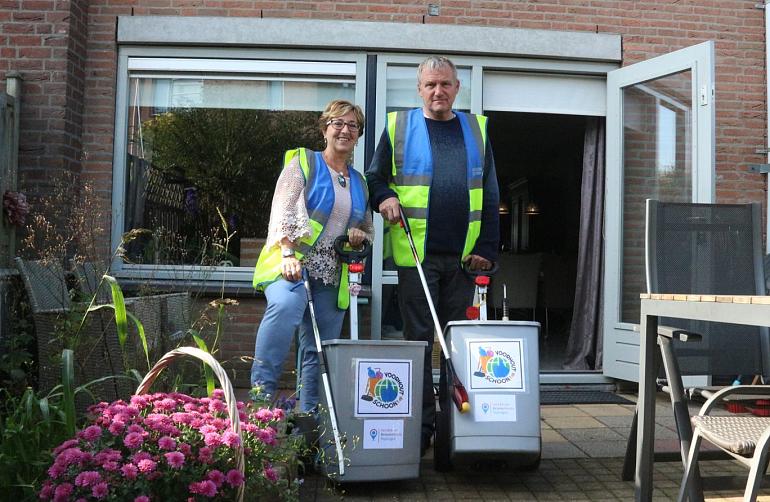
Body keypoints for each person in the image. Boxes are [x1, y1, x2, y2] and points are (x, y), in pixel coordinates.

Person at [366, 56, 500, 455]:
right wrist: (385, 196)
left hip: (464, 261)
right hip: (416, 259)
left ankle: (458, 425)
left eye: (445, 84)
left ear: (457, 88)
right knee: (421, 344)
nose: (438, 91)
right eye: (430, 85)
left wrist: (487, 249)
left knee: (460, 345)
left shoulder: (477, 130)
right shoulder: (399, 126)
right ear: (419, 89)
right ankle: (423, 428)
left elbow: (490, 192)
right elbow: (375, 177)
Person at [251, 99, 373, 413]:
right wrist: (289, 253)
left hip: (332, 274)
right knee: (285, 307)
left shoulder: (359, 182)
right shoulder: (305, 162)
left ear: (358, 135)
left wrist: (358, 236)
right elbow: (284, 207)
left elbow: (365, 228)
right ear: (325, 129)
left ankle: (308, 425)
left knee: (318, 351)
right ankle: (260, 405)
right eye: (338, 123)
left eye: (353, 126)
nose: (345, 130)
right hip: (292, 262)